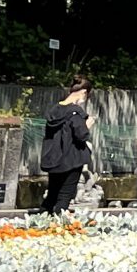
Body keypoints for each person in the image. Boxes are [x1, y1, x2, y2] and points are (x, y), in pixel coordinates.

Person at [39, 77, 94, 214]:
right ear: (84, 92)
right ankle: (58, 228)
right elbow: (81, 135)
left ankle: (41, 222)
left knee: (52, 195)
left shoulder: (54, 110)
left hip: (54, 159)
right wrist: (87, 125)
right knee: (65, 196)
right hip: (72, 159)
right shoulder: (75, 112)